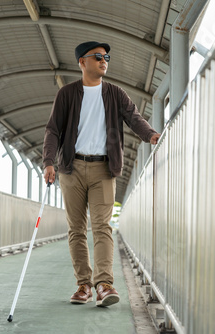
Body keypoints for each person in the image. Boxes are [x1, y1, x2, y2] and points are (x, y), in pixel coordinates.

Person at [43, 41, 160, 307]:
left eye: (106, 56)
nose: (103, 60)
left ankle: (104, 285)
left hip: (104, 169)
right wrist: (49, 162)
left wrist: (150, 135)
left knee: (102, 227)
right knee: (76, 230)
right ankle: (83, 285)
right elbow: (53, 130)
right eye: (97, 57)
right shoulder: (67, 94)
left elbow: (134, 117)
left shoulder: (115, 93)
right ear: (82, 62)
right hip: (71, 169)